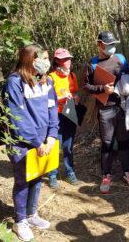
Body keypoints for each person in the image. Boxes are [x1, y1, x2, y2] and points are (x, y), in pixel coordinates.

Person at [3, 45, 59, 242]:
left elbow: (52, 108)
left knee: (37, 179)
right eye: (41, 58)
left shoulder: (46, 80)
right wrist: (36, 142)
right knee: (23, 182)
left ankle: (31, 214)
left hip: (45, 142)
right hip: (22, 143)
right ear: (29, 59)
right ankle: (20, 221)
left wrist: (52, 136)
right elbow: (18, 117)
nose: (46, 61)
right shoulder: (15, 82)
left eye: (46, 58)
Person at [83, 31, 129, 194]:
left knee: (123, 141)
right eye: (108, 45)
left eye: (113, 44)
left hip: (122, 106)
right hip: (105, 108)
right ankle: (106, 175)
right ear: (100, 45)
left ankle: (128, 173)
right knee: (107, 143)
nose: (111, 47)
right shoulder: (93, 64)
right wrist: (103, 89)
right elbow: (86, 86)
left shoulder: (120, 59)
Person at [47, 48, 81, 188]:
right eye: (65, 59)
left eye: (69, 59)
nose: (68, 61)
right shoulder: (50, 78)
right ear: (57, 61)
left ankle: (70, 172)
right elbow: (46, 99)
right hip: (55, 115)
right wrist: (61, 97)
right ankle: (52, 175)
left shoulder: (72, 76)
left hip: (69, 112)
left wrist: (76, 97)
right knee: (55, 145)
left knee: (68, 146)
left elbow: (75, 92)